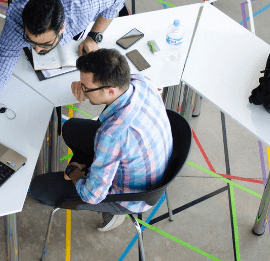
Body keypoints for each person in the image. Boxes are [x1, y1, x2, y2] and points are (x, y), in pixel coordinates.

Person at [0, 0, 127, 151]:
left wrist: (94, 35)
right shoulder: (16, 22)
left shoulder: (82, 5)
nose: (36, 50)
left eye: (44, 44)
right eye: (30, 41)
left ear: (62, 29)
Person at [29, 49, 173, 231]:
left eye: (86, 88)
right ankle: (93, 169)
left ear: (110, 90)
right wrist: (83, 85)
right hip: (150, 164)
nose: (82, 91)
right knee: (71, 128)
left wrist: (75, 173)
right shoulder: (140, 82)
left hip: (131, 196)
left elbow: (92, 195)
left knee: (39, 188)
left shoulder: (111, 135)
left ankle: (114, 213)